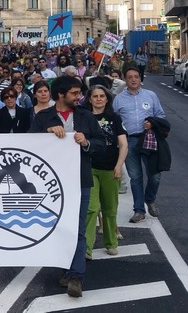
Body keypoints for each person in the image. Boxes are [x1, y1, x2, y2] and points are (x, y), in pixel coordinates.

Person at [30, 76, 105, 298]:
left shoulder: (86, 116)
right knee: (57, 226)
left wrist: (87, 142)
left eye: (79, 92)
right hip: (50, 184)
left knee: (78, 228)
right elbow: (27, 144)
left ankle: (75, 276)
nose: (79, 97)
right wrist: (46, 134)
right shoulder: (43, 117)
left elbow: (101, 144)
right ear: (61, 94)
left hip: (80, 181)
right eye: (74, 93)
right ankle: (66, 267)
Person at [113, 66, 167, 223]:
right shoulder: (118, 99)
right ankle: (139, 210)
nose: (133, 79)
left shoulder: (151, 95)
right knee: (135, 177)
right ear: (125, 79)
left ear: (140, 78)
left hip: (149, 139)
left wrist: (152, 123)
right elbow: (114, 120)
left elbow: (161, 115)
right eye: (130, 77)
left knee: (155, 176)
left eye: (136, 76)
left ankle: (149, 199)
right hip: (129, 141)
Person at [84, 85, 127, 259]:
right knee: (91, 208)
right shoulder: (84, 117)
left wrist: (118, 166)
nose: (99, 99)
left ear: (107, 99)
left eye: (102, 96)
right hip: (90, 167)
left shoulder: (115, 118)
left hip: (110, 168)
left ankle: (111, 243)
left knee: (110, 208)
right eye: (95, 96)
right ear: (90, 99)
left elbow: (123, 144)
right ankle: (86, 247)